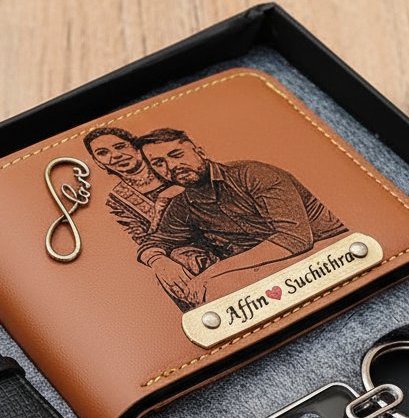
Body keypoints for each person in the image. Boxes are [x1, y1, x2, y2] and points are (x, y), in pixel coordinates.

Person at [133, 128, 347, 306]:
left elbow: (294, 238)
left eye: (177, 155)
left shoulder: (252, 173)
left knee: (216, 288)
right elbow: (155, 241)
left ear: (200, 151)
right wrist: (158, 261)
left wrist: (212, 273)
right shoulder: (182, 204)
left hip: (329, 248)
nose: (171, 166)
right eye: (159, 163)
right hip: (264, 265)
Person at [83, 127, 215, 303]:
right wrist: (158, 260)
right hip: (178, 252)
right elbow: (143, 239)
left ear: (136, 147)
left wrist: (173, 192)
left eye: (120, 146)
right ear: (98, 162)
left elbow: (212, 178)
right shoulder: (117, 200)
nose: (115, 155)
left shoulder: (167, 164)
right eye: (102, 153)